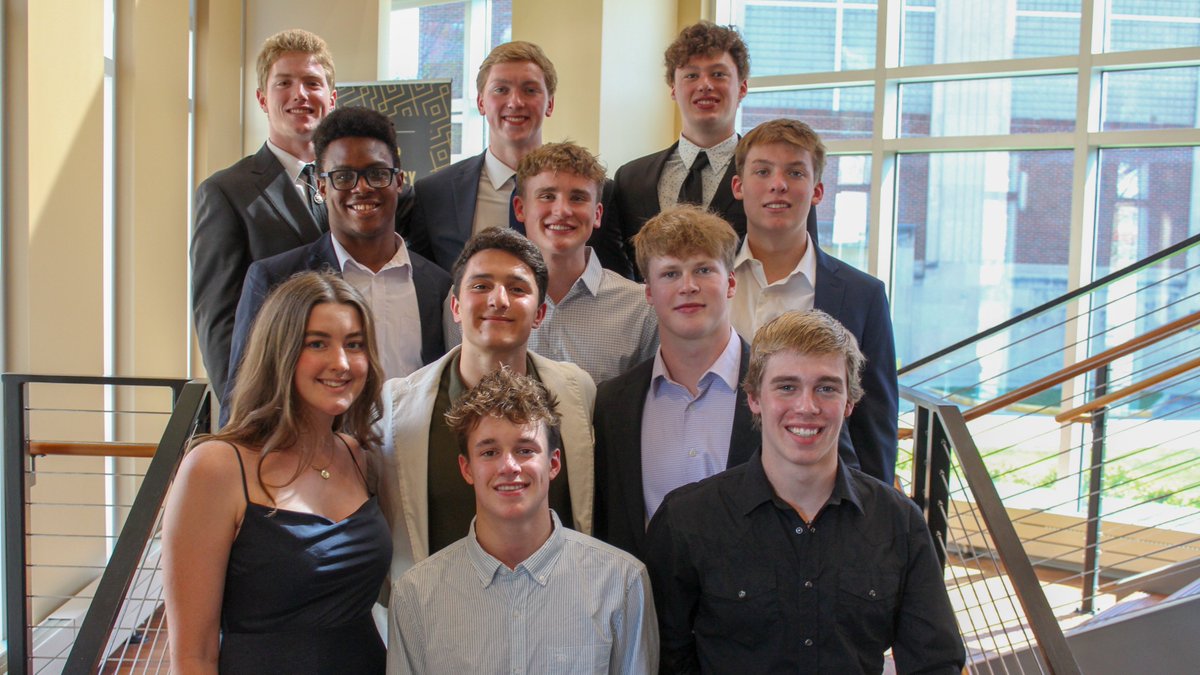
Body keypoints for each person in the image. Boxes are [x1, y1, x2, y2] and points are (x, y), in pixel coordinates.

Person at [645, 310, 965, 673]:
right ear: (754, 399)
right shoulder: (687, 520)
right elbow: (666, 659)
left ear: (849, 403)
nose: (807, 407)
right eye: (786, 387)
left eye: (826, 388)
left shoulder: (898, 522)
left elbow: (935, 663)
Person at [163, 271, 391, 674]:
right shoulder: (216, 467)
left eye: (353, 345)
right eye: (317, 343)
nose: (341, 363)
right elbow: (192, 655)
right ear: (279, 351)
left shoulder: (357, 456)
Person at [388, 367, 657, 675]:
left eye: (525, 450)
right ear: (466, 469)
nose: (509, 466)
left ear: (554, 463)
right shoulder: (416, 596)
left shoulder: (621, 583)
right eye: (489, 452)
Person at [377, 227, 595, 582]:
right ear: (455, 306)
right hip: (441, 621)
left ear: (540, 313)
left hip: (560, 614)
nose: (499, 300)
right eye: (480, 286)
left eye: (517, 288)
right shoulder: (396, 406)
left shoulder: (577, 391)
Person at [228, 107, 450, 404]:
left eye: (377, 173)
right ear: (322, 185)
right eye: (343, 176)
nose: (362, 188)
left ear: (398, 181)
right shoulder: (276, 280)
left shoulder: (438, 286)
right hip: (315, 450)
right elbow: (244, 399)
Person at [730, 118, 898, 484]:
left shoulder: (862, 295)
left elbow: (875, 425)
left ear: (817, 190)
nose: (778, 184)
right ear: (738, 186)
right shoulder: (705, 283)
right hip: (718, 490)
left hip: (824, 501)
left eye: (795, 172)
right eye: (763, 171)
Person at [593, 205, 756, 561]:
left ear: (730, 282)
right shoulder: (613, 404)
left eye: (703, 269)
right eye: (670, 274)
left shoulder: (780, 389)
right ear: (648, 291)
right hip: (646, 609)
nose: (688, 286)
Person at [192, 29, 337, 400]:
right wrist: (242, 409)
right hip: (275, 399)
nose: (299, 94)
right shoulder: (226, 192)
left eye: (312, 83)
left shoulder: (358, 186)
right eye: (284, 83)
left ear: (332, 98)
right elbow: (219, 319)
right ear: (262, 98)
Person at [608, 21, 819, 274]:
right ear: (673, 89)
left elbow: (806, 261)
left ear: (742, 87)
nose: (705, 84)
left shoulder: (773, 177)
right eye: (691, 75)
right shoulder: (631, 179)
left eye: (718, 74)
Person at [507, 141, 657, 383]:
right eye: (547, 196)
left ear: (597, 214)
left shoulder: (641, 309)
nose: (562, 210)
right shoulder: (481, 301)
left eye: (577, 198)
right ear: (520, 208)